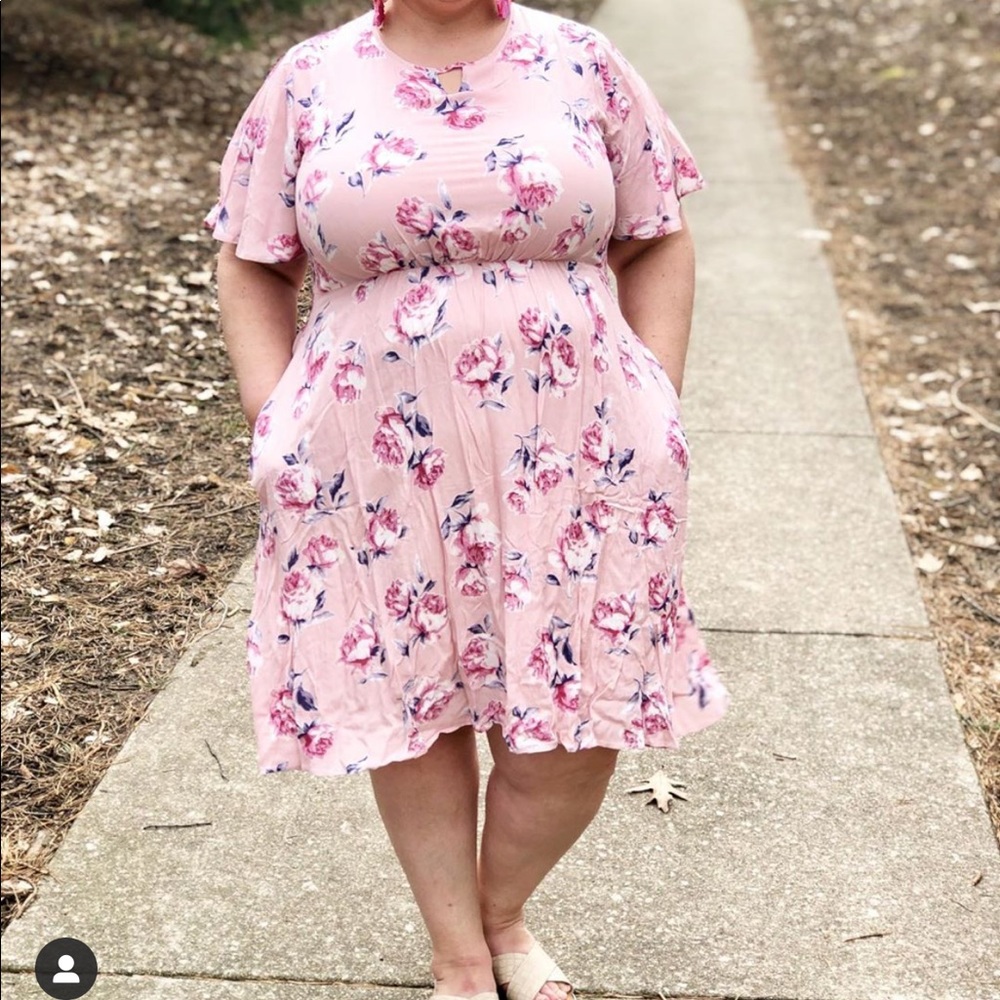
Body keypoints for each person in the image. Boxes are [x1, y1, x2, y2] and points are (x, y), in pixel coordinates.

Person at [205, 1, 729, 997]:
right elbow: (248, 256)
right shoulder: (310, 76)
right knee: (416, 704)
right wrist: (273, 420)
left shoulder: (583, 60)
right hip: (371, 460)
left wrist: (656, 399)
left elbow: (657, 235)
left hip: (583, 455)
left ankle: (499, 914)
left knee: (574, 724)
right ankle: (461, 955)